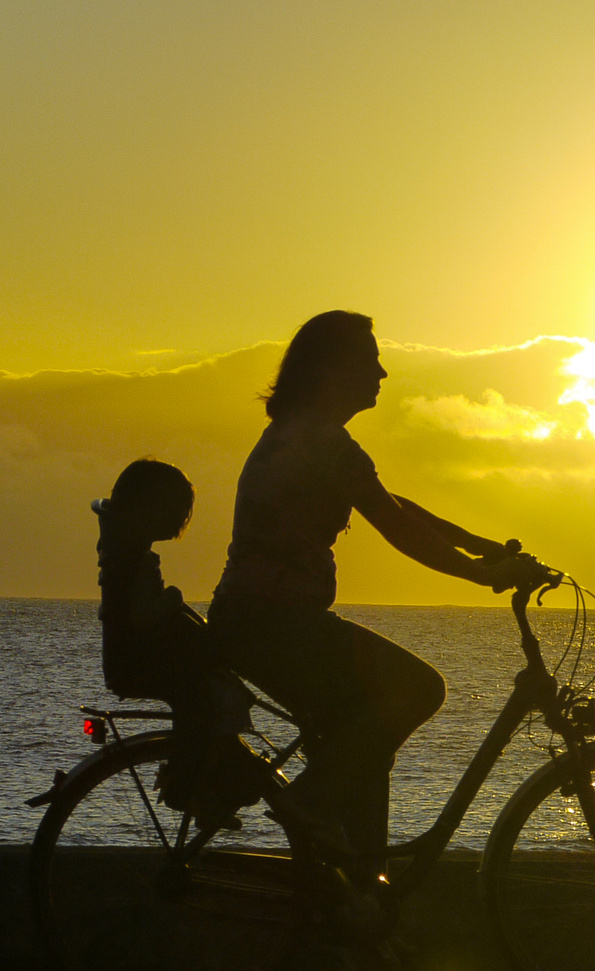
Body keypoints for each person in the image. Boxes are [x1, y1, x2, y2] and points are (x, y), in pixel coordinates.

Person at [207, 310, 544, 878]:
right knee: (417, 689)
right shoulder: (321, 442)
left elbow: (393, 505)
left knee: (364, 744)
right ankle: (308, 803)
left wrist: (482, 547)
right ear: (333, 370)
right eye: (370, 360)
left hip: (257, 621)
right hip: (272, 624)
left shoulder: (307, 435)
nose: (383, 373)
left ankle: (359, 894)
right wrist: (483, 576)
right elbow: (396, 527)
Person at [95, 457, 257, 822]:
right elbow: (141, 614)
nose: (182, 518)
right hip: (143, 661)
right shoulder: (133, 559)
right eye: (177, 509)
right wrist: (174, 599)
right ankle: (192, 789)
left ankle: (203, 784)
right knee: (207, 703)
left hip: (131, 658)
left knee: (213, 699)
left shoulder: (123, 551)